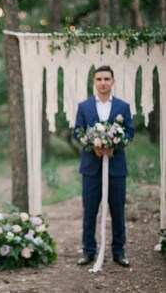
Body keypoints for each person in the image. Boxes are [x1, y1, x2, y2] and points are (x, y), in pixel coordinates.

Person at [74, 65, 134, 267]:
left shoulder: (123, 107)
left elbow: (129, 132)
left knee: (117, 211)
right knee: (90, 211)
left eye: (107, 79)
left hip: (116, 167)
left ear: (113, 81)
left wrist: (115, 144)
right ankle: (88, 251)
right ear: (94, 82)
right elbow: (78, 132)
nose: (103, 82)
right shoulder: (84, 107)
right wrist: (93, 145)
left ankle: (119, 251)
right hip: (91, 168)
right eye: (99, 79)